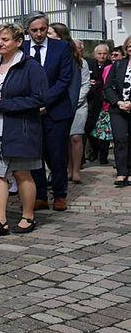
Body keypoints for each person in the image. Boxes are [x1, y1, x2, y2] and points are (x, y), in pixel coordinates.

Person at [0, 23, 48, 237]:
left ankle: (27, 216)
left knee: (22, 174)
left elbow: (40, 97)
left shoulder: (30, 66)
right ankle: (0, 221)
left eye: (5, 40)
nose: (0, 43)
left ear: (18, 42)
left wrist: (5, 104)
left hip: (20, 129)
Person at [25, 12, 78, 212]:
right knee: (35, 154)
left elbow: (65, 79)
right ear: (27, 31)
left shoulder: (61, 47)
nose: (39, 33)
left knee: (57, 155)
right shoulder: (22, 48)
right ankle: (39, 195)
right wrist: (31, 103)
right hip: (30, 112)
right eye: (34, 30)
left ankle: (60, 194)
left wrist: (45, 102)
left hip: (56, 111)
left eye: (43, 29)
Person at [46, 24, 90, 184]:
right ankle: (64, 169)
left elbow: (84, 84)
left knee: (76, 137)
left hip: (77, 104)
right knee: (62, 140)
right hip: (57, 104)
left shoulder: (79, 61)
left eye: (49, 32)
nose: (46, 35)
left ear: (59, 36)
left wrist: (74, 101)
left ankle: (75, 170)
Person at [103, 36, 131, 187]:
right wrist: (118, 102)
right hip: (118, 109)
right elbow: (107, 86)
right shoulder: (119, 64)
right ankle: (121, 172)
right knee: (120, 139)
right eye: (129, 46)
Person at [86, 43, 111, 164]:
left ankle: (103, 155)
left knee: (105, 130)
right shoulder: (90, 65)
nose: (102, 56)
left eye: (104, 53)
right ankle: (94, 151)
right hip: (92, 100)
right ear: (94, 54)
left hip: (105, 102)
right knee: (91, 128)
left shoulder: (111, 66)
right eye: (99, 54)